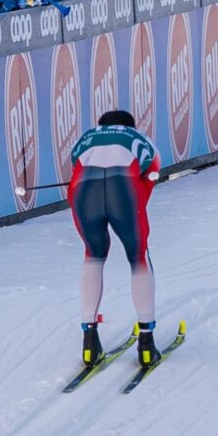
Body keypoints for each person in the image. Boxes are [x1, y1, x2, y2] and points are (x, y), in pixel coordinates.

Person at [66, 108, 162, 373]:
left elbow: (74, 173)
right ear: (130, 125)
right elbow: (149, 181)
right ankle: (146, 343)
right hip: (126, 189)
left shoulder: (86, 138)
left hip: (84, 192)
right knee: (138, 256)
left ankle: (89, 341)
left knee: (93, 254)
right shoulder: (140, 138)